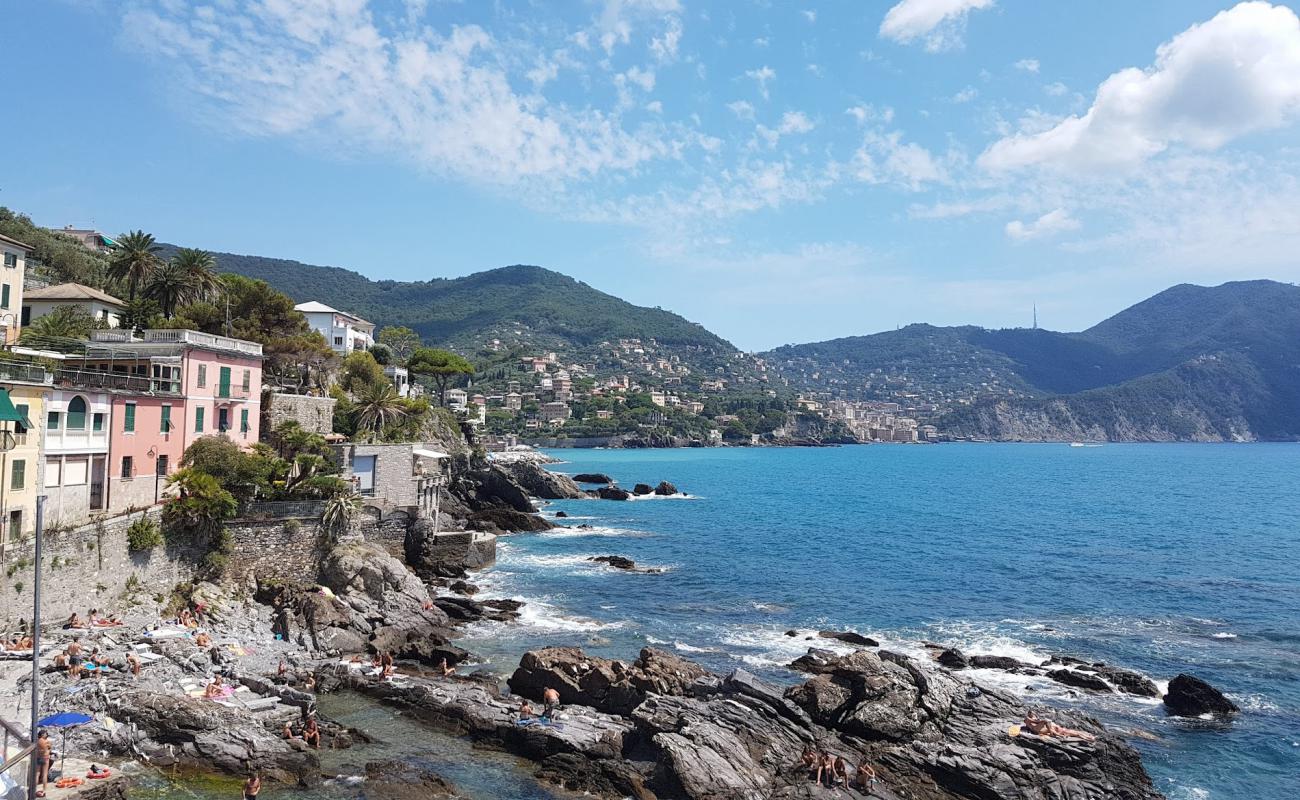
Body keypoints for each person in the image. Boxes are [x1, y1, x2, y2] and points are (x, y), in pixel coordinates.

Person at [1024, 711, 1096, 741]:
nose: (1035, 715)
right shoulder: (1028, 718)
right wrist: (1039, 721)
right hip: (1037, 729)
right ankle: (1089, 738)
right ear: (1030, 714)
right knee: (1076, 734)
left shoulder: (1033, 719)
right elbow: (1034, 722)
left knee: (1076, 733)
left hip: (1052, 729)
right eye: (1033, 714)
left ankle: (1089, 738)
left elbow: (1036, 722)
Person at [35, 730, 51, 798]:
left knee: (37, 774)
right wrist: (49, 748)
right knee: (44, 774)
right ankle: (44, 790)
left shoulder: (37, 741)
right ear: (42, 734)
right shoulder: (46, 741)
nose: (46, 735)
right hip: (45, 758)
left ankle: (34, 789)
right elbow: (49, 749)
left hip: (38, 758)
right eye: (45, 734)